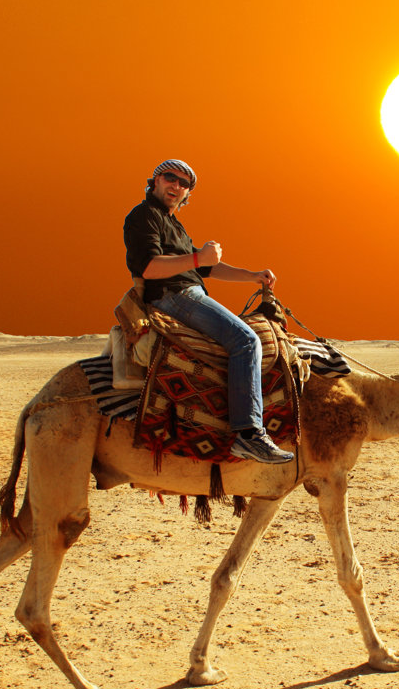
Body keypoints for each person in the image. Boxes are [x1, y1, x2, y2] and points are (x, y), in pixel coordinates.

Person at [123, 159, 294, 464]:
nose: (176, 186)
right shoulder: (144, 215)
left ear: (187, 193)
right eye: (170, 178)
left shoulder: (172, 223)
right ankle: (250, 434)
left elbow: (208, 267)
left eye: (184, 184)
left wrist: (252, 275)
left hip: (188, 292)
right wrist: (197, 257)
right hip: (173, 296)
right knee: (246, 341)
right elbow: (150, 268)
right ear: (155, 181)